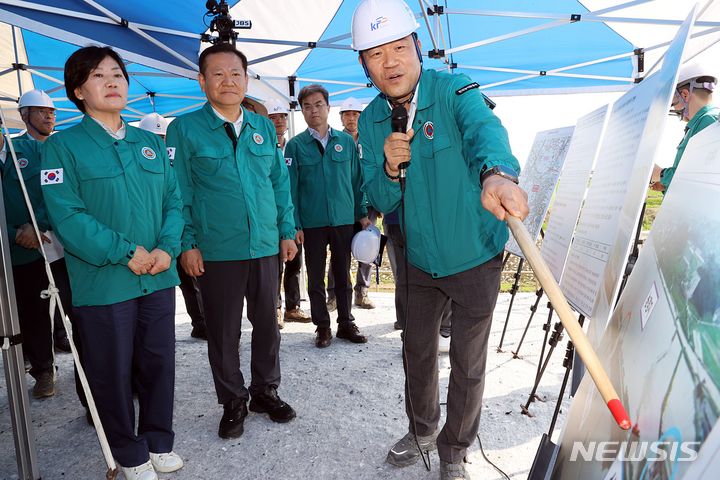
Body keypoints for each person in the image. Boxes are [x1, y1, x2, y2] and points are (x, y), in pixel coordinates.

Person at [351, 1, 529, 479]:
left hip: (475, 252)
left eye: (397, 48)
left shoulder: (453, 89)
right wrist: (389, 167)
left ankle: (454, 450)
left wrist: (497, 175)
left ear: (417, 48)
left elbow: (485, 130)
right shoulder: (370, 121)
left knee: (469, 363)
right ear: (364, 66)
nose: (389, 62)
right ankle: (423, 428)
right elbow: (379, 196)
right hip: (418, 259)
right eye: (374, 54)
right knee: (417, 351)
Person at [41, 46, 184, 480]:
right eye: (99, 75)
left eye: (118, 74)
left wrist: (166, 248)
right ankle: (129, 450)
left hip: (157, 276)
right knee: (111, 369)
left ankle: (159, 441)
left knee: (160, 361)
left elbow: (174, 202)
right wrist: (126, 252)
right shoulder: (62, 147)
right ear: (79, 90)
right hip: (104, 282)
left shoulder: (150, 143)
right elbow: (68, 217)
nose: (112, 82)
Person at [166, 43, 298, 441]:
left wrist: (287, 231)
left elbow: (278, 184)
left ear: (246, 78)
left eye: (236, 73)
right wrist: (186, 243)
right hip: (216, 250)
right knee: (223, 331)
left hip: (264, 246)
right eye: (218, 74)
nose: (228, 81)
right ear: (202, 80)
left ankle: (264, 391)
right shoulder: (184, 129)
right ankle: (233, 400)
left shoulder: (261, 127)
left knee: (268, 326)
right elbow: (177, 192)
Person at [286, 84, 370, 349]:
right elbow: (291, 188)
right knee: (315, 276)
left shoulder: (345, 142)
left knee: (343, 273)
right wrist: (295, 224)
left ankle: (346, 322)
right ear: (302, 111)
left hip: (344, 219)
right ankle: (322, 326)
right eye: (307, 106)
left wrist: (362, 214)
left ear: (328, 107)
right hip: (311, 223)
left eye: (318, 104)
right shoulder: (295, 146)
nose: (314, 111)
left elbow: (358, 181)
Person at [138, 112, 208, 340]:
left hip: (178, 233)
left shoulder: (175, 161)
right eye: (154, 137)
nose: (159, 142)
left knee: (191, 283)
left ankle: (201, 323)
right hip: (152, 239)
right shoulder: (137, 163)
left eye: (162, 137)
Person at [1, 131, 57, 398]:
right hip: (8, 249)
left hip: (33, 251)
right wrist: (14, 234)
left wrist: (37, 226)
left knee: (36, 312)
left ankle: (44, 370)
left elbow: (54, 188)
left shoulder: (32, 150)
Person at [16, 89, 72, 353]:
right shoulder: (14, 152)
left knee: (70, 297)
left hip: (61, 238)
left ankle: (63, 336)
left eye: (52, 112)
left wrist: (40, 224)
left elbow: (62, 195)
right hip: (29, 245)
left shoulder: (64, 148)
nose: (50, 117)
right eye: (42, 111)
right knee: (35, 305)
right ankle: (39, 362)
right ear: (24, 114)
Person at [326, 97, 377, 310]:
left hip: (368, 203)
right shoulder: (334, 141)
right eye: (347, 114)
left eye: (356, 114)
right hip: (344, 204)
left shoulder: (370, 141)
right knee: (340, 251)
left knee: (369, 248)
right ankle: (334, 294)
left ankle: (362, 292)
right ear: (341, 117)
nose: (352, 118)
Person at [266, 98, 311, 327]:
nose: (279, 121)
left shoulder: (294, 147)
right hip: (269, 218)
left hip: (292, 217)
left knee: (294, 263)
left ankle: (293, 307)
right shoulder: (262, 148)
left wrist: (297, 222)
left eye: (282, 116)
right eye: (273, 118)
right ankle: (275, 308)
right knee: (274, 266)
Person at [651, 63, 718, 193]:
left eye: (674, 100)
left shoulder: (708, 121)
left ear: (685, 95)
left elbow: (697, 180)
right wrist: (666, 185)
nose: (675, 108)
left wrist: (660, 174)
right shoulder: (703, 122)